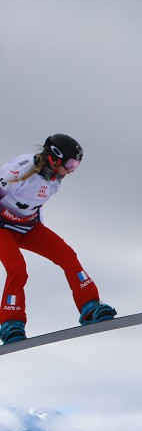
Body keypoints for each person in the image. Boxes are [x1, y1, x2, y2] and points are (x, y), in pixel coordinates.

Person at [0, 134, 116, 344]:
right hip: (1, 227)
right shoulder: (19, 169)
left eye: (76, 166)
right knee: (17, 268)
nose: (71, 170)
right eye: (70, 164)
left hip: (26, 226)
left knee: (66, 255)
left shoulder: (54, 182)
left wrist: (44, 238)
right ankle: (11, 323)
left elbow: (35, 208)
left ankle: (90, 306)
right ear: (55, 158)